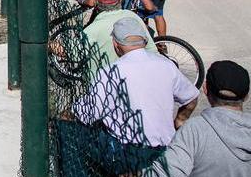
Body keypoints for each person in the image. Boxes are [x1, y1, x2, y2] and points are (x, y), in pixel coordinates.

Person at [76, 16, 199, 147]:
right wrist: (180, 120)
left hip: (126, 148)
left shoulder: (110, 72)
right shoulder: (166, 65)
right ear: (144, 42)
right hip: (165, 145)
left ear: (115, 44)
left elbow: (89, 113)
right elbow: (191, 98)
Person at [70, 0, 155, 74]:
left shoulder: (94, 28)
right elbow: (152, 49)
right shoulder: (133, 17)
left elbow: (70, 52)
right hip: (139, 74)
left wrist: (51, 45)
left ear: (96, 1)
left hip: (103, 83)